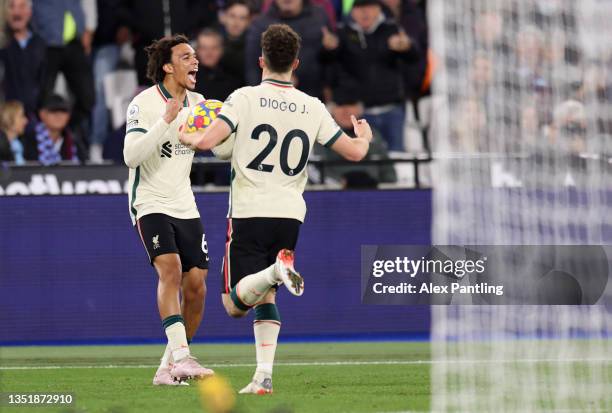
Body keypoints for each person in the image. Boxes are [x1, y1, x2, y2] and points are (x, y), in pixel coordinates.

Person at [179, 24, 372, 394]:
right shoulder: (312, 106)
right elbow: (354, 152)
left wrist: (187, 135)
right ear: (296, 63)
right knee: (266, 297)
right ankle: (263, 377)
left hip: (251, 209)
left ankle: (273, 270)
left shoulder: (244, 98)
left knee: (234, 304)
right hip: (290, 214)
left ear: (261, 60)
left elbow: (207, 141)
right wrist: (363, 136)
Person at [122, 34, 213, 385]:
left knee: (197, 286)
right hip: (150, 201)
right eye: (186, 56)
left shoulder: (200, 102)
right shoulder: (143, 103)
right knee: (171, 271)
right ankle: (184, 357)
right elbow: (130, 156)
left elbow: (211, 145)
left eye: (195, 56)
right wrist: (165, 121)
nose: (196, 61)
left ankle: (167, 367)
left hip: (184, 202)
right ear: (167, 66)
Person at [0, 0, 46, 118]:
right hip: (6, 117)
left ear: (29, 12)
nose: (17, 12)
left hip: (34, 116)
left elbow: (45, 83)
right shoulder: (3, 44)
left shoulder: (40, 44)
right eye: (12, 7)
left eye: (22, 6)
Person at [22, 94, 83, 164]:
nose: (58, 116)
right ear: (42, 114)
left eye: (63, 111)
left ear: (69, 115)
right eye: (53, 111)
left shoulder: (74, 141)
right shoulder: (28, 140)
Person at [194, 29, 242, 101]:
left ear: (221, 50)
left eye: (214, 48)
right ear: (197, 51)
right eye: (204, 48)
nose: (209, 53)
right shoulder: (188, 79)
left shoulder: (234, 79)